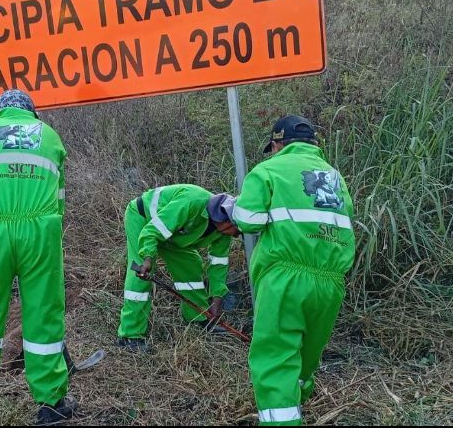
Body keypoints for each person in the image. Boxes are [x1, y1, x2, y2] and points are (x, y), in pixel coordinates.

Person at [0, 89, 76, 425]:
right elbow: (60, 198)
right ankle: (51, 403)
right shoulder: (50, 136)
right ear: (30, 111)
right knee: (44, 314)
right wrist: (41, 225)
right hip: (41, 232)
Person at [231, 115, 356, 426]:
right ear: (314, 144)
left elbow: (248, 220)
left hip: (284, 278)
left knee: (276, 357)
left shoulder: (268, 170)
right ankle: (298, 400)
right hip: (331, 282)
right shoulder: (335, 177)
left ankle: (282, 418)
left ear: (277, 145)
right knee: (307, 355)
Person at [117, 184, 240, 352]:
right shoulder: (192, 201)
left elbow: (219, 264)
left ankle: (197, 317)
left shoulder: (224, 232)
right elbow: (152, 231)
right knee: (141, 276)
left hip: (172, 234)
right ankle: (130, 337)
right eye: (238, 229)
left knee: (191, 265)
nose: (238, 235)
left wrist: (217, 298)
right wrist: (147, 257)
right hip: (144, 220)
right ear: (226, 221)